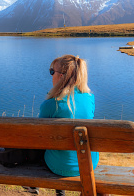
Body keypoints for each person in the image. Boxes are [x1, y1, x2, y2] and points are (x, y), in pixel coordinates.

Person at [26, 55, 99, 196]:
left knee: (41, 149)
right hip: (89, 164)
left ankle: (34, 185)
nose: (51, 75)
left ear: (61, 77)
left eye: (52, 72)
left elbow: (39, 138)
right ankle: (58, 191)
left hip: (57, 166)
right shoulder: (90, 99)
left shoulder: (50, 105)